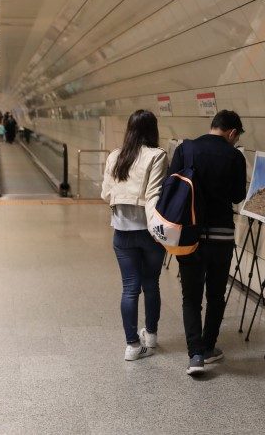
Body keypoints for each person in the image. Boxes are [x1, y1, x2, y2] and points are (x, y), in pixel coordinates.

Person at [170, 109, 246, 375]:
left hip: (190, 235)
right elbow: (238, 196)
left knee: (190, 297)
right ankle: (208, 346)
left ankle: (195, 356)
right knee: (215, 295)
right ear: (232, 133)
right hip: (221, 237)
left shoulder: (186, 149)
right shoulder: (234, 156)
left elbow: (173, 184)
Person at [101, 109, 168, 361]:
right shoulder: (157, 156)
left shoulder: (115, 157)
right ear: (153, 130)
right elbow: (153, 195)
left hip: (122, 232)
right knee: (151, 284)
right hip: (150, 233)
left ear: (129, 130)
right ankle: (150, 336)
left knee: (130, 288)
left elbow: (106, 194)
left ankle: (132, 345)